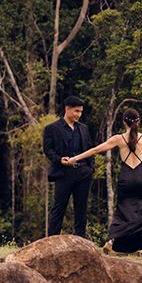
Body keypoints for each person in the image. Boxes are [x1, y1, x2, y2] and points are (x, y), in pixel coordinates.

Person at [64, 108, 142, 254]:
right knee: (140, 210)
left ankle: (112, 239)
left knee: (122, 210)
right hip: (140, 178)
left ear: (123, 122)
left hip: (125, 178)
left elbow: (95, 150)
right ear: (138, 121)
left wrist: (75, 159)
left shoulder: (118, 139)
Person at [43, 95, 95, 238]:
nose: (79, 114)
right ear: (67, 109)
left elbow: (90, 149)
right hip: (63, 173)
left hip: (83, 172)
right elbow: (48, 150)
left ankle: (81, 241)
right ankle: (52, 241)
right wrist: (60, 160)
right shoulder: (52, 128)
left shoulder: (84, 128)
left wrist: (91, 168)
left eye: (80, 112)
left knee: (81, 209)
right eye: (76, 111)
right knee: (58, 208)